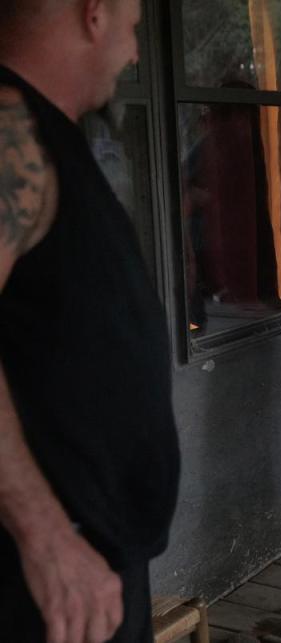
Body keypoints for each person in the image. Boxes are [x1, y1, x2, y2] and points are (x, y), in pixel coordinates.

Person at [0, 2, 180, 642]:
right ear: (94, 14)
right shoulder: (9, 129)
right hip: (43, 574)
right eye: (134, 29)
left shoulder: (50, 134)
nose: (136, 53)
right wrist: (45, 536)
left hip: (94, 556)